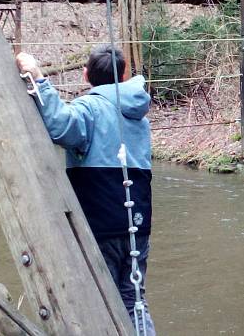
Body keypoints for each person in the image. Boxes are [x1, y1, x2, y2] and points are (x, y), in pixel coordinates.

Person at [16, 45, 156, 335]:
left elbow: (61, 127)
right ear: (124, 75)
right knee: (133, 298)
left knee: (98, 298)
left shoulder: (89, 108)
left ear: (85, 75)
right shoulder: (138, 113)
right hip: (137, 221)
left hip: (100, 221)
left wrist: (39, 78)